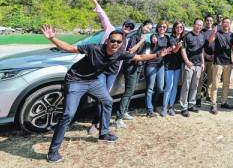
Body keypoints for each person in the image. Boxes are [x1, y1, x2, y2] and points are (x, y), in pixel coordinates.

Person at [41, 25, 168, 163]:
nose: (115, 44)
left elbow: (140, 56)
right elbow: (69, 48)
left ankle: (104, 133)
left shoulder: (120, 53)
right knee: (68, 114)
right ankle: (52, 152)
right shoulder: (94, 48)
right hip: (75, 80)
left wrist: (157, 55)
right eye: (113, 41)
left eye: (119, 42)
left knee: (107, 101)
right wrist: (52, 38)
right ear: (107, 41)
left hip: (93, 81)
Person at [86, 0, 136, 135]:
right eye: (127, 25)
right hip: (101, 70)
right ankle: (95, 124)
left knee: (105, 97)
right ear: (123, 25)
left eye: (130, 27)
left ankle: (100, 124)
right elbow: (104, 17)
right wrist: (96, 3)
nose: (128, 28)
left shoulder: (126, 40)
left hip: (113, 73)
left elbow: (126, 56)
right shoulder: (111, 30)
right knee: (102, 96)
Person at [115, 20, 152, 128]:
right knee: (128, 92)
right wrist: (141, 41)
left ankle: (124, 112)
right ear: (142, 26)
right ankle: (119, 118)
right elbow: (131, 51)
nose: (148, 30)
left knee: (131, 91)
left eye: (150, 29)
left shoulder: (142, 37)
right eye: (147, 27)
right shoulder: (135, 36)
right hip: (130, 67)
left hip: (138, 66)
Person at [208, 17, 233, 114]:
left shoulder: (232, 35)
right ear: (222, 24)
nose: (226, 24)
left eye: (227, 22)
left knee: (226, 84)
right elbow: (210, 41)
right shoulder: (217, 33)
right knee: (215, 84)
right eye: (224, 22)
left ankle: (224, 102)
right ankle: (213, 104)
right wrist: (213, 32)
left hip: (228, 63)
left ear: (229, 24)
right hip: (218, 63)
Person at [143, 20, 170, 117]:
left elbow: (169, 48)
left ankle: (155, 104)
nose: (162, 28)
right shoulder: (154, 36)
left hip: (161, 65)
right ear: (157, 27)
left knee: (160, 88)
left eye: (164, 27)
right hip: (151, 64)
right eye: (160, 26)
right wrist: (154, 40)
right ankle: (149, 109)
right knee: (150, 88)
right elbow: (153, 41)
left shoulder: (167, 38)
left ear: (166, 28)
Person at [180, 18, 206, 117]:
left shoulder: (202, 36)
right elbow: (183, 50)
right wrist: (187, 61)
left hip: (198, 65)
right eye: (197, 24)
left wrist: (203, 63)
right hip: (189, 65)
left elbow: (201, 51)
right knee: (186, 86)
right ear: (193, 25)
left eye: (201, 25)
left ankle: (191, 104)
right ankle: (184, 107)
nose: (199, 26)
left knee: (194, 86)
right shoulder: (187, 36)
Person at [162, 20, 185, 117]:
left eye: (181, 27)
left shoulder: (183, 38)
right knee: (169, 87)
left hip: (178, 66)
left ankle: (171, 107)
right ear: (174, 29)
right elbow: (175, 50)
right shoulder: (171, 38)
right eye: (177, 27)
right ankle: (164, 107)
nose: (179, 29)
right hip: (169, 65)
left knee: (175, 87)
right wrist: (179, 46)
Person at [196, 15, 216, 107]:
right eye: (207, 20)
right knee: (200, 79)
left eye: (211, 20)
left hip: (213, 59)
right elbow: (200, 46)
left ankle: (208, 95)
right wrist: (206, 55)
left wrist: (214, 55)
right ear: (205, 21)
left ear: (213, 21)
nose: (209, 22)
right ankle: (198, 97)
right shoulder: (201, 32)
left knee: (211, 79)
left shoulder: (215, 31)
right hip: (202, 59)